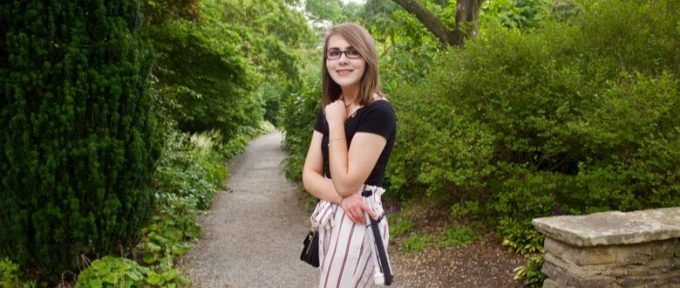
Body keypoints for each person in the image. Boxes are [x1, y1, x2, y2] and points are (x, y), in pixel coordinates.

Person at [302, 23, 397, 288]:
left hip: (358, 220)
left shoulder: (378, 112)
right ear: (326, 61)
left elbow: (346, 182)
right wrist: (342, 199)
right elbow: (309, 176)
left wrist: (334, 124)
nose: (342, 59)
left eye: (352, 52)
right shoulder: (331, 109)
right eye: (334, 53)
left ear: (367, 58)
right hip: (336, 212)